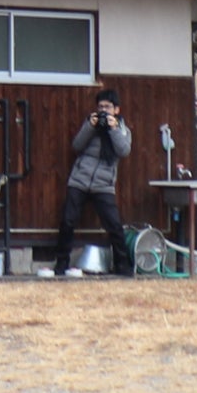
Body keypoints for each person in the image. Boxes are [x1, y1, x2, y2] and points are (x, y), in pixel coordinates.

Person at [53, 88, 134, 277]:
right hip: (80, 178)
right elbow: (77, 145)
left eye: (107, 107)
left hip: (104, 183)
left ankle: (122, 265)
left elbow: (124, 151)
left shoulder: (122, 130)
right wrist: (90, 126)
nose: (103, 110)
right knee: (67, 220)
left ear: (116, 110)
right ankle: (61, 263)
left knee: (114, 224)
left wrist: (113, 129)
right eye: (100, 107)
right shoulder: (90, 124)